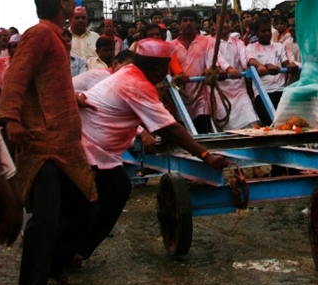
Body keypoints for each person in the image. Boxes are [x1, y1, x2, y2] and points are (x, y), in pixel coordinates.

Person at [76, 39, 227, 262]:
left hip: (95, 149)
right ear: (158, 69)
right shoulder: (138, 84)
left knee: (113, 191)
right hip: (89, 150)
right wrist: (205, 155)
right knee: (98, 199)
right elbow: (171, 129)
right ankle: (73, 252)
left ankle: (77, 250)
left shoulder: (128, 72)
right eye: (167, 67)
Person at [0, 0, 98, 285]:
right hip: (42, 143)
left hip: (63, 143)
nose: (75, 3)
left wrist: (74, 98)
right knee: (46, 216)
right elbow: (16, 77)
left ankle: (54, 266)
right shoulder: (40, 35)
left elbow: (46, 82)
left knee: (85, 205)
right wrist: (11, 118)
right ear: (63, 3)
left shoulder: (57, 38)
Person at [247, 17, 299, 124]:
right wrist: (264, 66)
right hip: (262, 93)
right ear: (256, 33)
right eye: (263, 31)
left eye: (268, 31)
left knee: (286, 124)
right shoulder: (251, 47)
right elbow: (251, 61)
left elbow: (285, 63)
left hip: (281, 91)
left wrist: (291, 66)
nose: (267, 34)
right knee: (270, 125)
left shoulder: (279, 46)